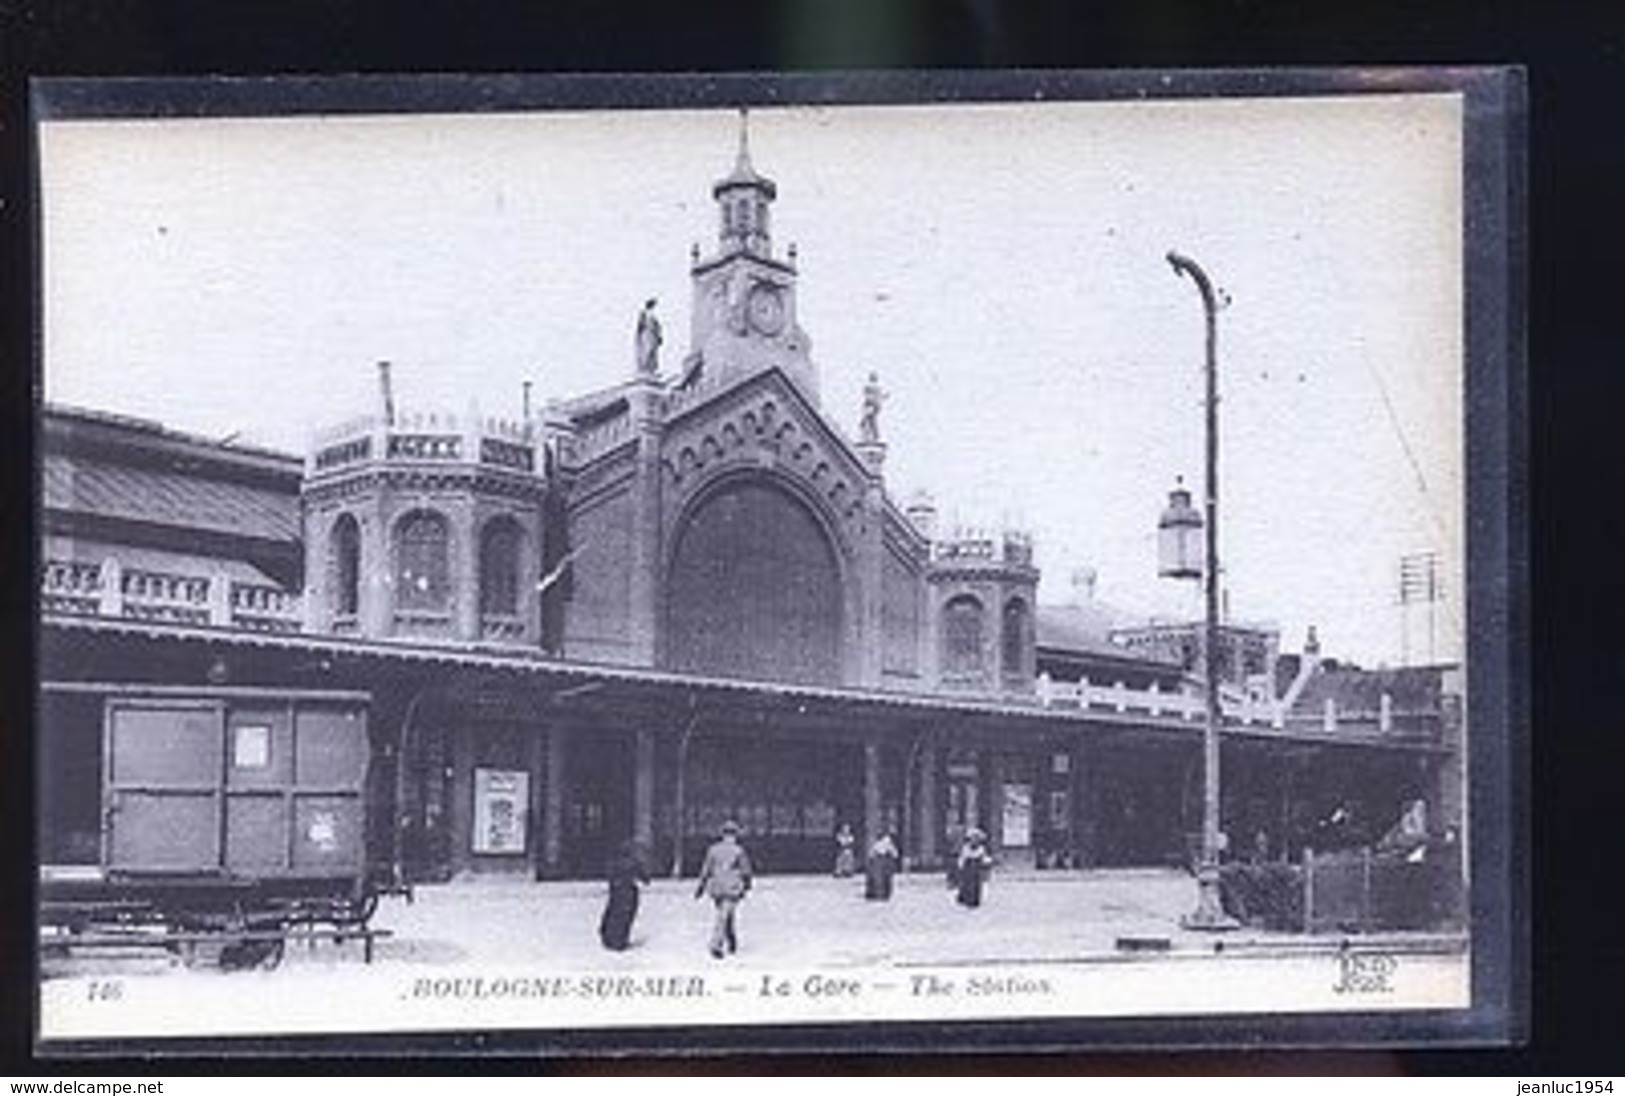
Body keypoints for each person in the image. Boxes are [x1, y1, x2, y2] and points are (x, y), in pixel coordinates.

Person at [694, 820, 753, 959]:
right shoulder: (739, 851)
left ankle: (731, 940)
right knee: (724, 916)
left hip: (717, 888)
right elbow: (746, 870)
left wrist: (701, 887)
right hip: (732, 888)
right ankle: (716, 945)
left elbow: (706, 870)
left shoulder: (713, 850)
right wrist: (748, 884)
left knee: (724, 914)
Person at [598, 839, 649, 952]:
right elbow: (645, 879)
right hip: (629, 892)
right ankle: (620, 940)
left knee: (614, 914)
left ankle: (610, 938)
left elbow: (610, 876)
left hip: (617, 892)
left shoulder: (614, 862)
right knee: (625, 917)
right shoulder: (633, 862)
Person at [955, 827, 993, 908]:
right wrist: (961, 866)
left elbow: (984, 857)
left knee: (976, 885)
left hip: (977, 869)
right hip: (968, 868)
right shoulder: (966, 848)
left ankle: (975, 900)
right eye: (973, 838)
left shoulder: (981, 848)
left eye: (976, 838)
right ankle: (966, 899)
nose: (974, 840)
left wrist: (986, 862)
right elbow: (963, 857)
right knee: (967, 884)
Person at [864, 831, 900, 901]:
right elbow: (871, 854)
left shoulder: (889, 846)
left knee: (885, 879)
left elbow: (895, 854)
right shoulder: (877, 845)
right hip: (878, 864)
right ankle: (876, 894)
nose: (887, 840)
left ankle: (884, 894)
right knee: (877, 879)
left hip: (885, 864)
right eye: (885, 839)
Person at [635, 298, 662, 376]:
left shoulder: (653, 315)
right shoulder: (644, 314)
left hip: (652, 336)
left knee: (652, 352)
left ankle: (651, 369)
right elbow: (640, 326)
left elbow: (657, 327)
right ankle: (645, 369)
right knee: (646, 351)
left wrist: (658, 336)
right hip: (646, 335)